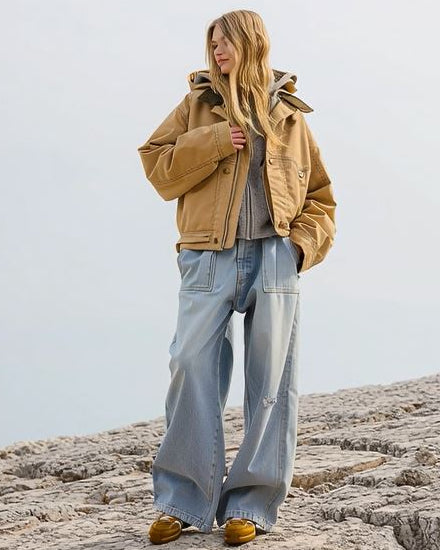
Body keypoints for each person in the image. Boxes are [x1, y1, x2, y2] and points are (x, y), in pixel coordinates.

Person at [137, 9, 336, 545]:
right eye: (212, 42)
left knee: (271, 381)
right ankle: (183, 502)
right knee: (189, 365)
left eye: (225, 41)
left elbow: (321, 198)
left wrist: (298, 248)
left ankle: (251, 503)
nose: (217, 51)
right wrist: (216, 141)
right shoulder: (197, 105)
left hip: (275, 256)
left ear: (251, 43)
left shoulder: (290, 116)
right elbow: (156, 166)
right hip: (208, 256)